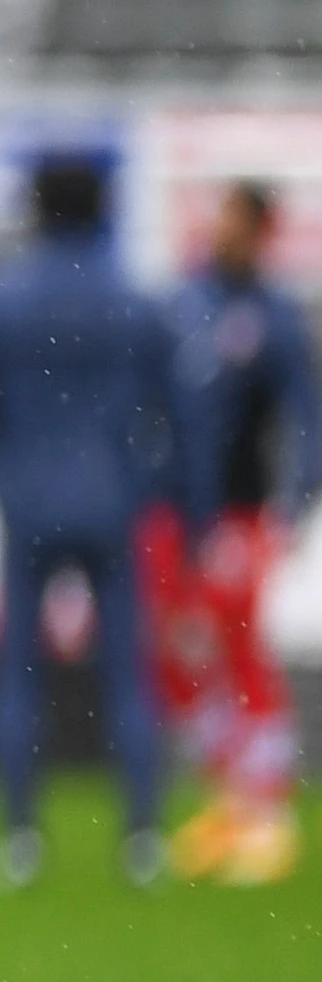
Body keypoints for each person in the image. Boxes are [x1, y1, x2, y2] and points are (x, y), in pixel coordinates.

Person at [0, 151, 171, 889]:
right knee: (127, 675)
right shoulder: (133, 297)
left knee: (18, 675)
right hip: (111, 498)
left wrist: (17, 448)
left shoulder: (4, 298)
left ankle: (20, 839)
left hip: (27, 498)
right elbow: (170, 405)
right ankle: (142, 838)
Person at [149, 181, 316, 886]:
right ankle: (228, 798)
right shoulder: (182, 303)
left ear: (261, 231)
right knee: (175, 655)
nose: (220, 228)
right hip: (174, 511)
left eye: (233, 218)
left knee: (242, 648)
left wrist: (294, 502)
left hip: (241, 513)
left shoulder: (273, 316)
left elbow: (307, 417)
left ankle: (270, 812)